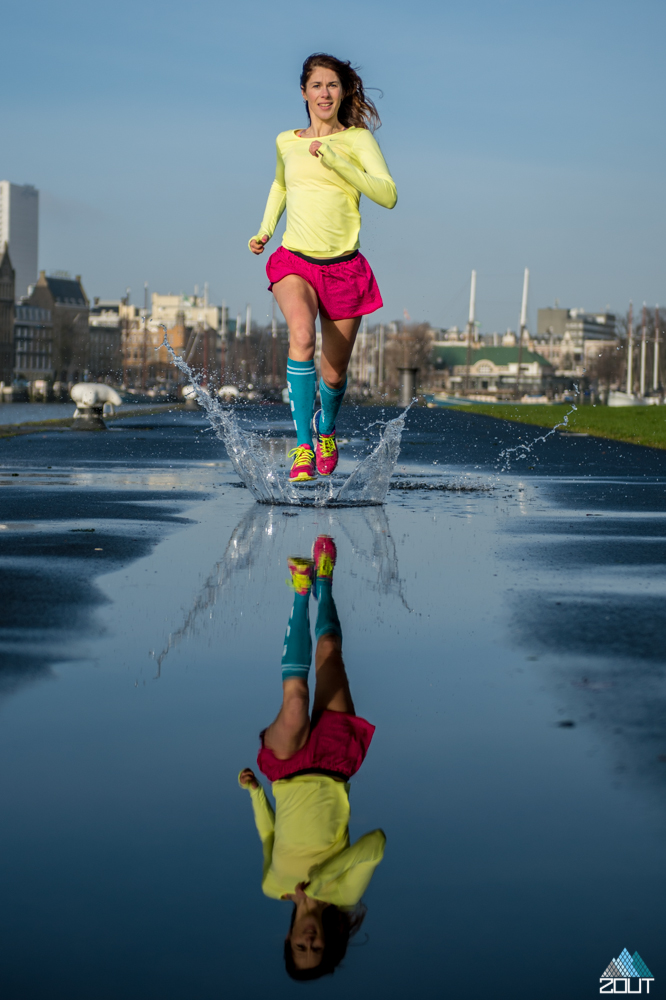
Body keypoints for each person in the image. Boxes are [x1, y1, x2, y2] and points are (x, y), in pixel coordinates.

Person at [238, 535, 385, 980]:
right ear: (328, 943)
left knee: (296, 699)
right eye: (315, 948)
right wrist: (320, 882)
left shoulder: (273, 888)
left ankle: (300, 592)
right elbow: (375, 845)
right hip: (334, 764)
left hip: (285, 772)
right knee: (330, 654)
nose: (308, 941)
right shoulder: (342, 893)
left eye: (300, 947)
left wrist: (254, 794)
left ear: (288, 940)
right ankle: (325, 582)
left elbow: (270, 838)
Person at [249, 53, 397, 483]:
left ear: (343, 90)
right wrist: (264, 230)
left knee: (333, 373)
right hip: (295, 259)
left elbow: (387, 195)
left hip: (344, 269)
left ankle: (325, 429)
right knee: (300, 335)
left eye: (332, 85)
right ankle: (301, 448)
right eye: (317, 85)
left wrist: (340, 164)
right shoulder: (285, 141)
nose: (325, 93)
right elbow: (280, 183)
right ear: (304, 93)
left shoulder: (358, 141)